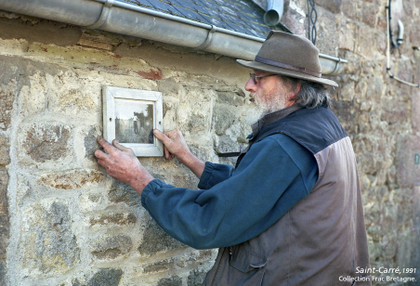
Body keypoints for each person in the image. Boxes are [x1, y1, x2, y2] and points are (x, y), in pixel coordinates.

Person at [95, 31, 371, 285]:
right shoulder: (323, 125)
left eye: (258, 78)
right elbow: (262, 189)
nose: (248, 86)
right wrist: (190, 159)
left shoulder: (288, 144)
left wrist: (138, 178)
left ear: (294, 89)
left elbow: (208, 223)